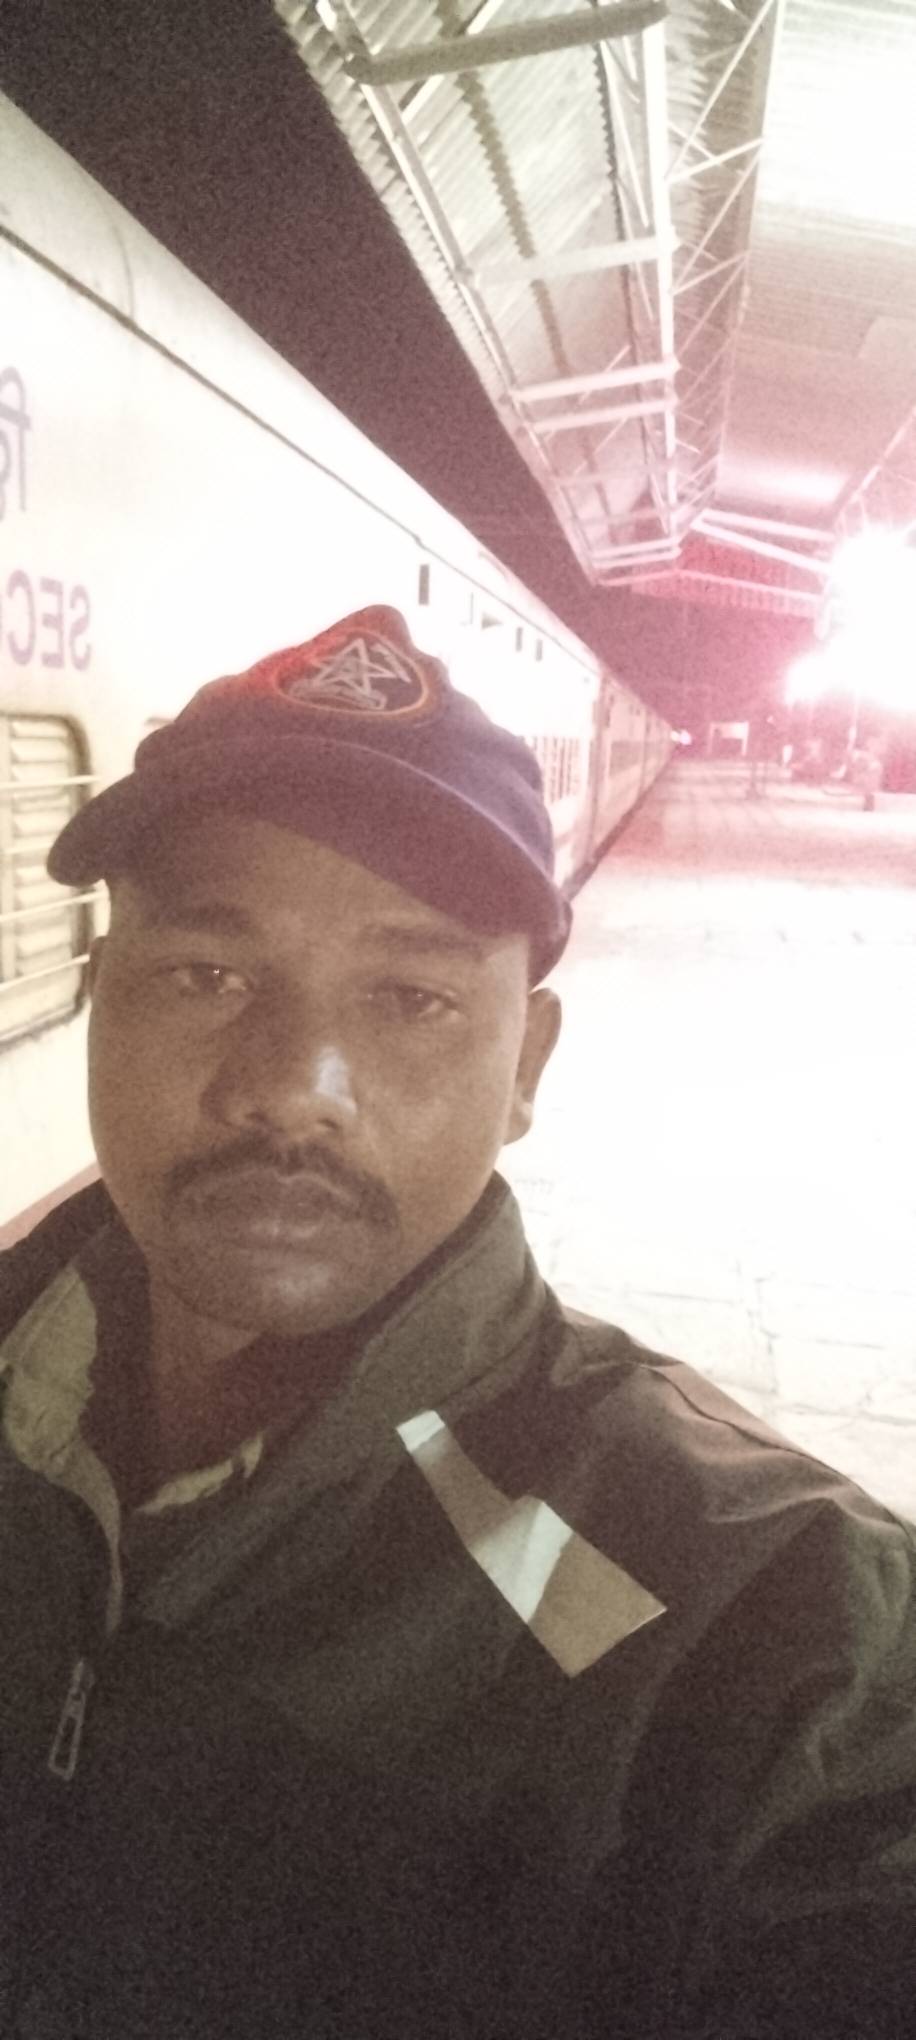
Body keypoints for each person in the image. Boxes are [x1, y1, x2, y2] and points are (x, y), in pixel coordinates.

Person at [1, 606, 914, 2039]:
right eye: (205, 975)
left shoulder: (781, 1625)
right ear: (101, 995)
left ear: (525, 1066)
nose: (292, 1084)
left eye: (412, 998)